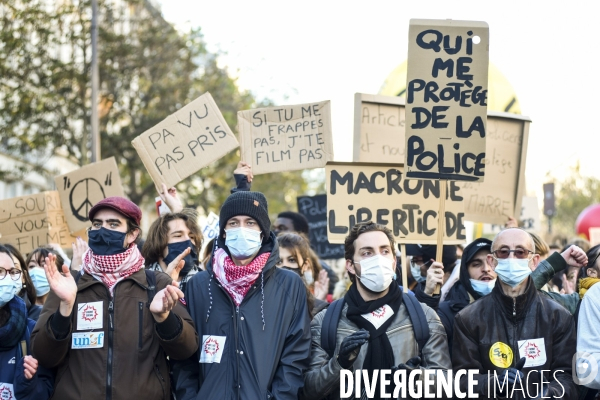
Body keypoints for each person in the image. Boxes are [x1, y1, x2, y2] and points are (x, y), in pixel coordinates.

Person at [31, 196, 199, 400]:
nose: (103, 230)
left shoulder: (155, 283)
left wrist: (164, 318)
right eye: (97, 224)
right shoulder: (71, 284)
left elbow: (187, 348)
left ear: (132, 234)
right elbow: (43, 355)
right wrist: (65, 310)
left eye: (113, 224)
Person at [174, 191, 311, 400]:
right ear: (223, 231)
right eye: (233, 223)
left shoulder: (288, 285)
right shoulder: (198, 286)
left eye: (250, 223)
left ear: (263, 232)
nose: (241, 229)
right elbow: (185, 358)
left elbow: (295, 356)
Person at [303, 222, 451, 400]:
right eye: (367, 253)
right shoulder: (325, 321)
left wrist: (417, 378)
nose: (378, 258)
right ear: (350, 265)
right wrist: (339, 364)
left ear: (394, 261)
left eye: (385, 251)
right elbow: (309, 389)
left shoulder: (424, 316)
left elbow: (447, 384)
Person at [452, 228, 586, 399]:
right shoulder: (468, 318)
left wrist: (547, 395)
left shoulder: (558, 316)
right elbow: (462, 381)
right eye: (503, 252)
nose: (511, 258)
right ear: (492, 261)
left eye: (520, 252)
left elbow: (567, 377)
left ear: (534, 261)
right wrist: (494, 384)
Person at [0, 244, 54, 400]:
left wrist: (29, 383)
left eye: (13, 272)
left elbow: (46, 391)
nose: (7, 279)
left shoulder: (32, 331)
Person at [437, 238, 495, 356]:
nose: (486, 269)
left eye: (491, 262)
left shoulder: (514, 307)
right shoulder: (446, 313)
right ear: (465, 271)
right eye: (476, 264)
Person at [143, 208, 203, 294]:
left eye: (192, 236)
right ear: (159, 244)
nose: (188, 240)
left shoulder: (207, 283)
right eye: (178, 235)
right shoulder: (141, 283)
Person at [276, 232, 329, 317]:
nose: (284, 266)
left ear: (305, 265)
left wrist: (317, 307)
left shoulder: (319, 307)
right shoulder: (263, 302)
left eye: (292, 260)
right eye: (279, 262)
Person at [406, 244, 457, 310]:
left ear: (433, 263)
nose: (412, 265)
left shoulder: (457, 298)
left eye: (415, 260)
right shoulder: (417, 286)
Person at [25, 247, 63, 320]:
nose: (36, 270)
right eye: (32, 266)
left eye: (44, 266)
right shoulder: (17, 308)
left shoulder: (65, 307)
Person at [4, 244, 38, 320]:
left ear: (23, 277)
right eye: (0, 271)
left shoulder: (39, 316)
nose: (7, 277)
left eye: (13, 271)